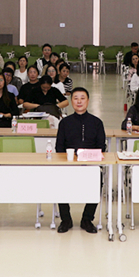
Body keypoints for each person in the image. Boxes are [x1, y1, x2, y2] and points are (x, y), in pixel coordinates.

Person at [49, 87, 108, 234]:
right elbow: (59, 147)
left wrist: (88, 157)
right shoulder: (65, 123)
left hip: (91, 165)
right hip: (68, 164)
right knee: (59, 180)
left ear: (88, 101)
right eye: (76, 98)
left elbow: (101, 146)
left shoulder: (97, 122)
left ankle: (87, 219)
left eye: (82, 98)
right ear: (71, 101)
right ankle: (66, 219)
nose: (79, 101)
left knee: (97, 180)